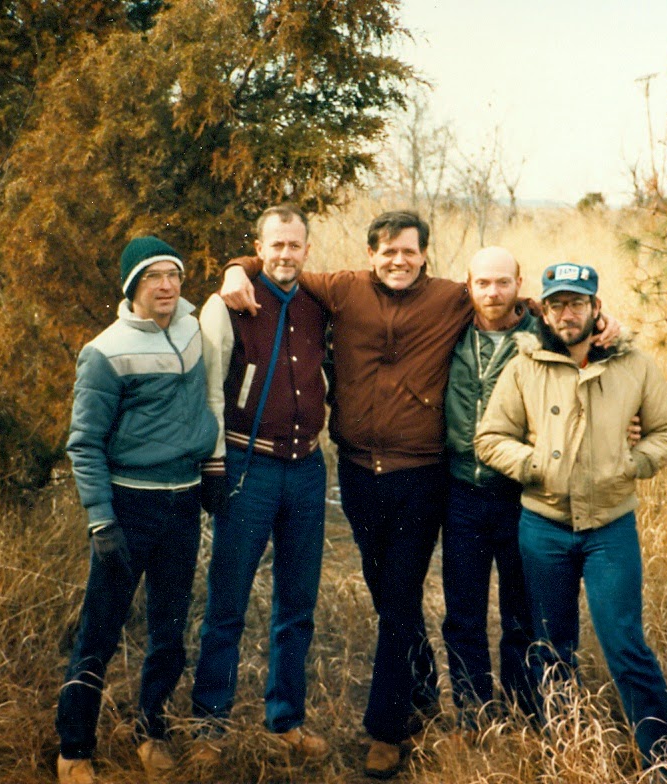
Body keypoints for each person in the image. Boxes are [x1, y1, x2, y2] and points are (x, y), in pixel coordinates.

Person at [221, 216, 620, 778]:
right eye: (388, 252)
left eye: (409, 252)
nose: (398, 261)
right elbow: (283, 264)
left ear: (425, 256)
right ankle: (424, 690)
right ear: (371, 254)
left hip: (422, 475)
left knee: (402, 597)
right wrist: (237, 268)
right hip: (359, 473)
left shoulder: (451, 298)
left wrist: (602, 321)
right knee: (387, 595)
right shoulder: (344, 288)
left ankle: (387, 728)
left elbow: (514, 303)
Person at [475, 262, 667, 773]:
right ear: (544, 312)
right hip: (543, 527)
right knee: (551, 647)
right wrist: (533, 466)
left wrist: (632, 463)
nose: (567, 314)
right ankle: (568, 752)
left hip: (610, 527)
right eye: (557, 305)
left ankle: (661, 760)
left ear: (595, 307)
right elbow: (490, 437)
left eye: (576, 303)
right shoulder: (526, 366)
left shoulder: (633, 365)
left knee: (624, 643)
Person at [56, 236, 220, 784]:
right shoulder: (105, 352)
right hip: (129, 506)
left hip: (184, 502)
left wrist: (210, 472)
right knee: (99, 631)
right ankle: (74, 748)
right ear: (132, 286)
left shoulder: (193, 329)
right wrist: (101, 519)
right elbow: (84, 444)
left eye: (174, 275)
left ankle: (152, 731)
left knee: (169, 630)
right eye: (154, 277)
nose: (167, 286)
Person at [189, 204, 330, 763]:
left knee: (297, 605)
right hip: (250, 467)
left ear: (307, 249)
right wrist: (214, 465)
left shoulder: (320, 304)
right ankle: (209, 725)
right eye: (276, 245)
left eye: (295, 245)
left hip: (308, 470)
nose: (286, 254)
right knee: (228, 602)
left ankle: (286, 720)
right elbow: (209, 390)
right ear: (259, 248)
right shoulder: (231, 303)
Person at [441, 247, 538, 732]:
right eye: (482, 283)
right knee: (464, 611)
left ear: (519, 283)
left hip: (521, 493)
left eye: (503, 282)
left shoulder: (542, 337)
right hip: (461, 490)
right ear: (468, 285)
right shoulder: (449, 330)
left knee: (522, 611)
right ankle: (473, 713)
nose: (493, 292)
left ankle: (525, 709)